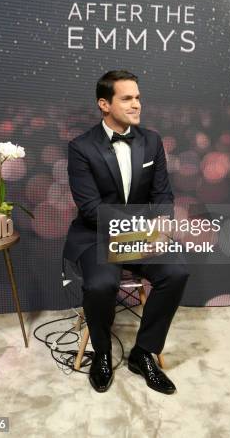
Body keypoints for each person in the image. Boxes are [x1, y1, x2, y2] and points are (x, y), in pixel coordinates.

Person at [63, 70, 189, 394]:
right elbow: (91, 209)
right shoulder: (81, 147)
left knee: (176, 271)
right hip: (97, 235)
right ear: (104, 104)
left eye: (138, 98)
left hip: (141, 235)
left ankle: (143, 353)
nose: (137, 105)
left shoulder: (152, 141)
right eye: (127, 98)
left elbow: (163, 195)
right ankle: (102, 353)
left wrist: (160, 224)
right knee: (101, 283)